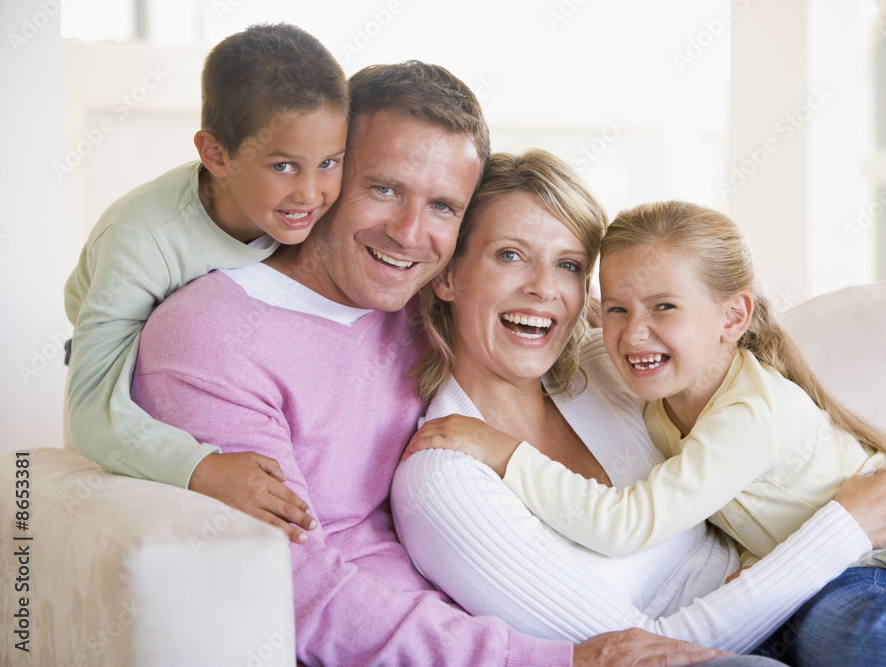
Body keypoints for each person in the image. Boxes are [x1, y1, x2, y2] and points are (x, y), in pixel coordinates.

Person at [128, 60, 752, 666]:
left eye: (443, 207)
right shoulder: (210, 338)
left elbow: (537, 299)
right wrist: (553, 659)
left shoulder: (418, 298)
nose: (409, 233)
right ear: (328, 175)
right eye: (384, 188)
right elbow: (297, 587)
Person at [395, 154, 886, 662]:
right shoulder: (445, 478)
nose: (545, 289)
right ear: (446, 274)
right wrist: (842, 530)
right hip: (807, 597)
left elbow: (823, 444)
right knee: (858, 640)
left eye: (571, 266)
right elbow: (641, 654)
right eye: (509, 254)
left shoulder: (606, 372)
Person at [64, 23, 349, 543]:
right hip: (120, 354)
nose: (311, 193)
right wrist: (203, 468)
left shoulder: (307, 210)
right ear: (216, 156)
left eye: (329, 162)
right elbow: (89, 412)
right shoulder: (140, 239)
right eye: (284, 165)